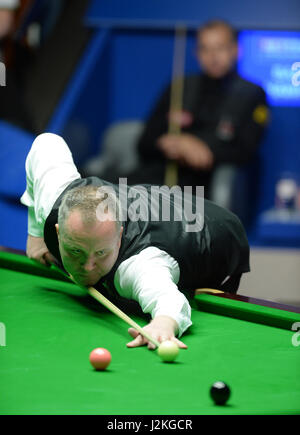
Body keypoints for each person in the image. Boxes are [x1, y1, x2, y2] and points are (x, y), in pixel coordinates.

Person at [21, 133, 250, 350]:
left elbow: (169, 301)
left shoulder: (139, 265)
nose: (88, 267)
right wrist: (36, 234)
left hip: (219, 240)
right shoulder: (53, 200)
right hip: (156, 205)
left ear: (119, 236)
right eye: (75, 251)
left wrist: (164, 323)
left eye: (101, 253)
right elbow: (47, 143)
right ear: (59, 232)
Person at [128, 20, 269, 196]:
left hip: (203, 189)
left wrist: (204, 149)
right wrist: (175, 143)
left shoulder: (252, 94)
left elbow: (246, 151)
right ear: (197, 53)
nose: (213, 56)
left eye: (220, 47)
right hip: (156, 181)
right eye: (205, 49)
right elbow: (144, 142)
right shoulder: (180, 87)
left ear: (236, 50)